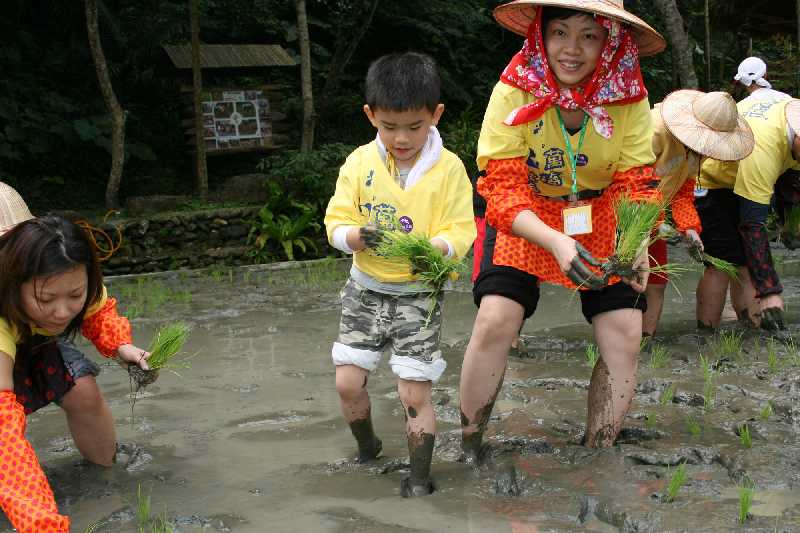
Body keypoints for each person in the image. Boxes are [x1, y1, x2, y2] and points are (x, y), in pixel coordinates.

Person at [459, 0, 666, 456]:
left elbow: (635, 180)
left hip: (601, 212)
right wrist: (554, 241)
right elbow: (504, 186)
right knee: (497, 318)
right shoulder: (515, 88)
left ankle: (598, 448)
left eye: (589, 36)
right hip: (528, 210)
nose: (571, 49)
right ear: (541, 34)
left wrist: (635, 245)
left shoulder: (628, 94)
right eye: (560, 33)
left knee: (627, 328)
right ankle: (471, 444)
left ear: (609, 42)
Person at [324, 52, 475, 497]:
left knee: (413, 394)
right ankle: (367, 447)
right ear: (371, 116)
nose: (401, 137)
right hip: (364, 291)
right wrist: (353, 237)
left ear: (435, 115)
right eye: (389, 127)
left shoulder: (449, 170)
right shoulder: (358, 164)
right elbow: (334, 222)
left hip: (418, 296)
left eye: (414, 126)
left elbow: (460, 229)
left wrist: (437, 248)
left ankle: (419, 479)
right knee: (347, 382)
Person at [0, 213, 152, 531]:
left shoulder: (70, 270)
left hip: (32, 337)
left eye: (74, 296)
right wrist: (43, 524)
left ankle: (106, 477)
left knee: (82, 390)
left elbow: (97, 313)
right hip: (7, 336)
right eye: (46, 298)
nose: (62, 312)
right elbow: (5, 437)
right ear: (14, 283)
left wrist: (120, 346)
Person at [642, 91, 755, 336]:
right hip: (624, 216)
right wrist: (658, 222)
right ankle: (618, 346)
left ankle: (643, 343)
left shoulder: (695, 150)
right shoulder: (654, 131)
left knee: (656, 283)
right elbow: (631, 179)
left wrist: (690, 229)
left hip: (652, 219)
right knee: (626, 284)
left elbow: (683, 190)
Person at [697, 98, 800, 331]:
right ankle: (705, 336)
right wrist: (770, 290)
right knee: (721, 264)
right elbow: (753, 227)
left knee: (745, 264)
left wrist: (790, 225)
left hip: (741, 174)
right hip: (711, 179)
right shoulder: (765, 149)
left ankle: (754, 332)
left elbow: (791, 185)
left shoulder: (793, 111)